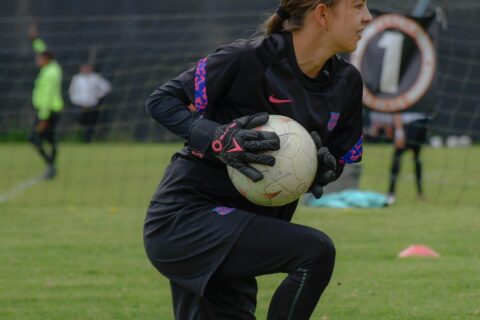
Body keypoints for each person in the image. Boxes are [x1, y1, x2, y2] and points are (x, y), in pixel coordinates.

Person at [144, 0, 371, 319]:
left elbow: (339, 158)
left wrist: (323, 169)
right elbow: (161, 102)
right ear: (322, 14)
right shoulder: (246, 59)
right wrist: (218, 137)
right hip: (185, 219)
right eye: (358, 5)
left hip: (242, 227)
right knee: (315, 252)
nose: (367, 17)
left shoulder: (346, 82)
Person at [28, 24, 64, 179]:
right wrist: (35, 39)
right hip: (49, 110)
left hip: (48, 111)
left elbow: (48, 97)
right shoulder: (52, 66)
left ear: (46, 59)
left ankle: (51, 166)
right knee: (50, 139)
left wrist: (43, 118)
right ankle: (51, 167)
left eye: (39, 58)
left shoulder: (50, 74)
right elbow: (42, 49)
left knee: (35, 139)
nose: (37, 60)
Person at [387, 112, 429, 205]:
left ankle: (419, 192)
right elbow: (397, 108)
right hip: (408, 124)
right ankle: (391, 192)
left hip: (421, 122)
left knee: (415, 157)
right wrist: (399, 132)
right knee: (399, 157)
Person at [68, 63, 112, 143]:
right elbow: (71, 91)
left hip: (92, 104)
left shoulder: (95, 78)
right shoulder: (77, 78)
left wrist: (98, 95)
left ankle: (87, 140)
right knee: (81, 120)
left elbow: (107, 87)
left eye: (87, 68)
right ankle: (80, 136)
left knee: (91, 124)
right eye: (84, 68)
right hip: (79, 104)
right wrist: (74, 100)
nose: (85, 70)